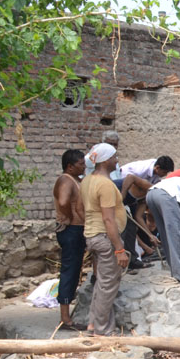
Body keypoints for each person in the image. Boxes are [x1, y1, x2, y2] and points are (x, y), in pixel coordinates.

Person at [80, 143, 130, 336]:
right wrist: (119, 249)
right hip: (104, 238)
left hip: (92, 235)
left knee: (102, 283)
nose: (117, 160)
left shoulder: (86, 181)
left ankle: (93, 325)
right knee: (108, 284)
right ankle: (103, 330)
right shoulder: (105, 185)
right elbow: (108, 219)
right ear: (106, 160)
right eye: (114, 157)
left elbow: (80, 209)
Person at [52, 149, 86, 331]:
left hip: (76, 230)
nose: (84, 166)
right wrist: (69, 218)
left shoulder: (76, 180)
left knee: (74, 270)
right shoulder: (66, 180)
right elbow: (64, 202)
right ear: (70, 166)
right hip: (71, 230)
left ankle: (67, 314)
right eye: (80, 163)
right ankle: (65, 319)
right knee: (69, 270)